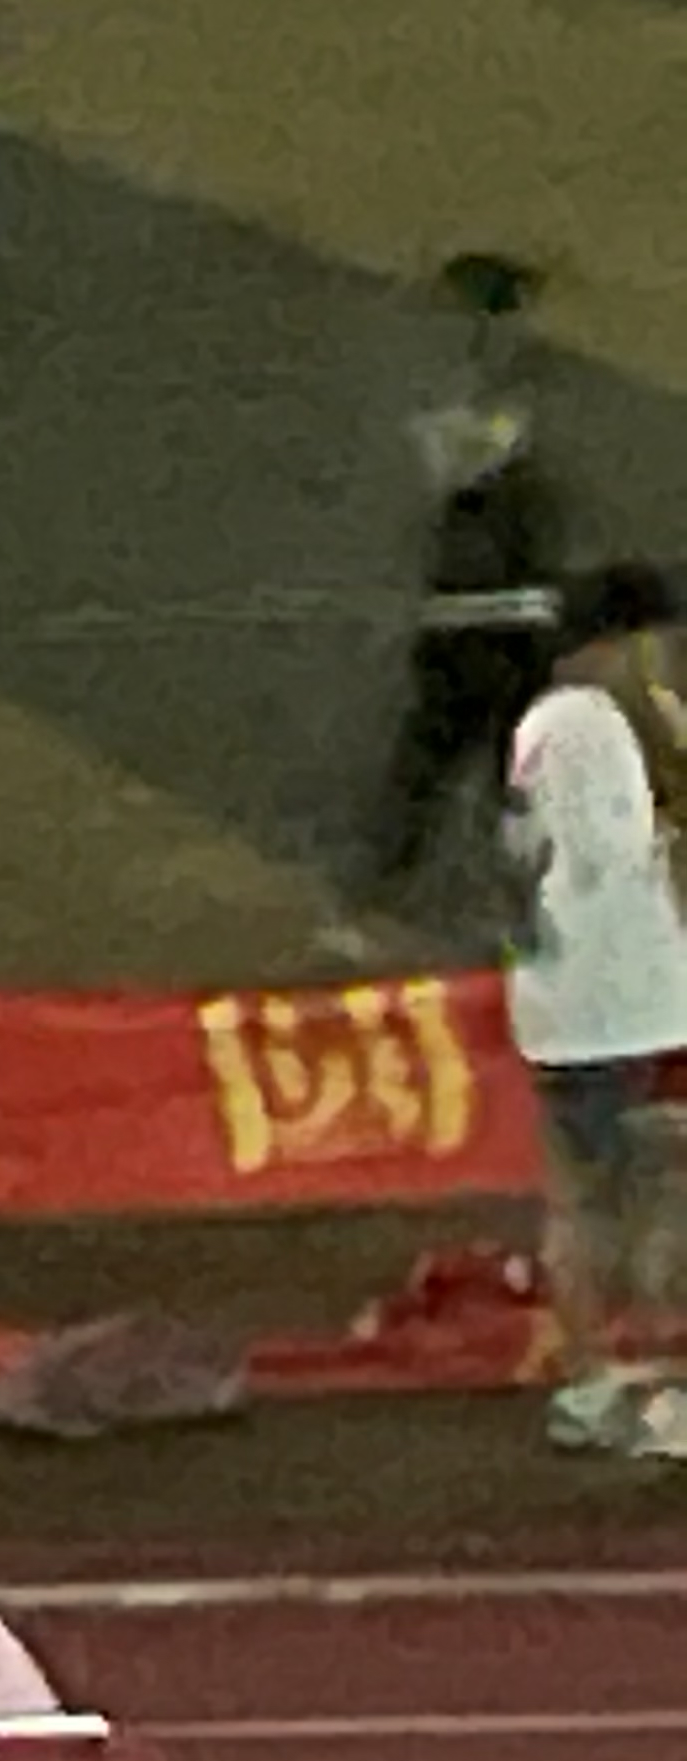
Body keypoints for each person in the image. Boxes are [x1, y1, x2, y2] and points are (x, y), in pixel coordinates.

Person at [500, 563, 687, 1455]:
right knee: (657, 1187)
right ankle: (654, 1384)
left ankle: (592, 1380)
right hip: (630, 1006)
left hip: (565, 1001)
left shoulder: (544, 722)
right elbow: (615, 851)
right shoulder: (597, 724)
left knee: (582, 1197)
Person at [363, 257, 571, 919]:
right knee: (508, 782)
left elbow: (477, 421)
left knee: (432, 773)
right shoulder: (504, 470)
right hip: (512, 634)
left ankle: (382, 896)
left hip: (470, 636)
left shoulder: (463, 453)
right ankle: (536, 908)